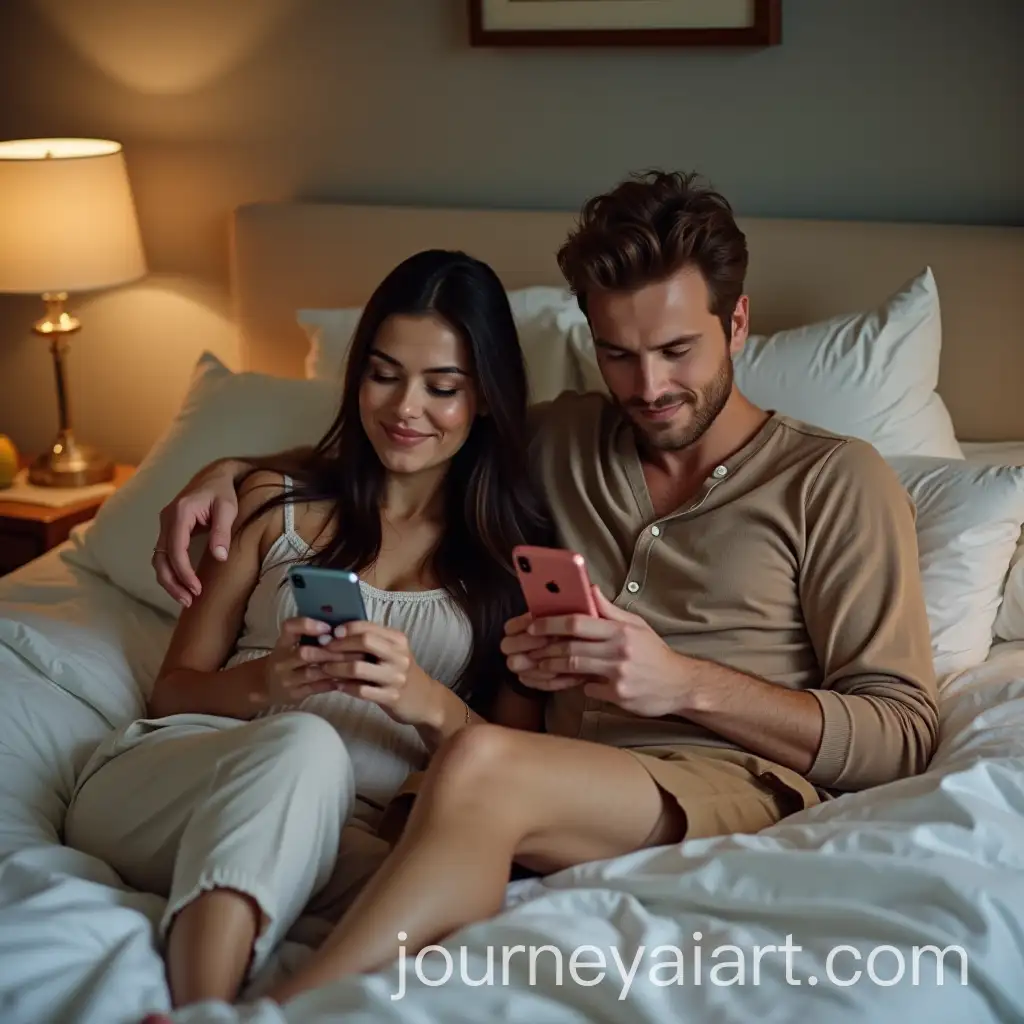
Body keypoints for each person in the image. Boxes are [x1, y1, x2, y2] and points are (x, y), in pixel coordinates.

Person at [153, 170, 939, 1005]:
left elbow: (902, 732)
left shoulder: (835, 480)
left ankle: (283, 1013)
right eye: (618, 355)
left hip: (716, 781)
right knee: (353, 808)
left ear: (737, 323)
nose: (648, 389)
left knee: (482, 756)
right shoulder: (562, 440)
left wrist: (682, 683)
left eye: (678, 351)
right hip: (535, 775)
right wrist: (227, 470)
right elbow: (405, 437)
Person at [62, 249, 554, 1009]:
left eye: (442, 386)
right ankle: (203, 1008)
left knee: (462, 896)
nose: (404, 408)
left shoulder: (507, 569)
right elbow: (171, 693)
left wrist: (423, 698)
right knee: (304, 742)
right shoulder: (274, 504)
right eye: (383, 373)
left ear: (486, 397)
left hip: (337, 835)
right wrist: (265, 683)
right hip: (176, 784)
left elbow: (518, 774)